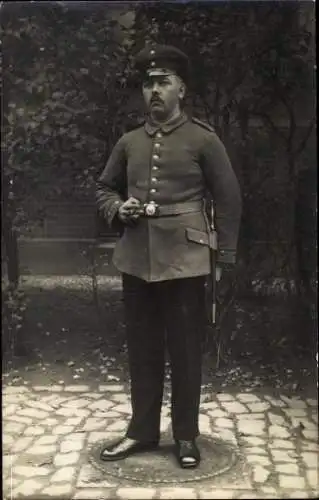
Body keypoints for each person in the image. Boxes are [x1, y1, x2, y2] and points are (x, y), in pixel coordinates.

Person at [96, 44, 242, 469]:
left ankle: (185, 437)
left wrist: (225, 257)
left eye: (163, 83)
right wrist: (116, 209)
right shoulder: (128, 141)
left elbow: (230, 199)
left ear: (181, 88)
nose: (154, 91)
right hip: (136, 259)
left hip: (186, 260)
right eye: (148, 84)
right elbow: (105, 188)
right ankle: (141, 433)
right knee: (141, 350)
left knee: (184, 351)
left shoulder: (203, 138)